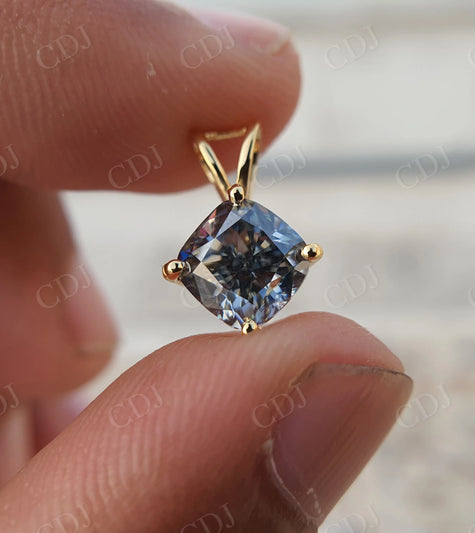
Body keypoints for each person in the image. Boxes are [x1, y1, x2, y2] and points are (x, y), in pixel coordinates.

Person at [0, 1, 412, 531]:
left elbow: (278, 260)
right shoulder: (231, 221)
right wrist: (199, 272)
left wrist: (221, 270)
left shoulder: (243, 219)